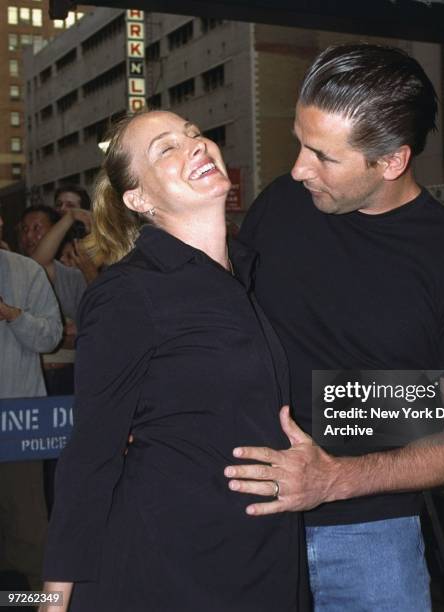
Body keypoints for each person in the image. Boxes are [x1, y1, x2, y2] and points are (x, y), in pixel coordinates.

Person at [225, 44, 444, 611]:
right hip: (242, 516)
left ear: (391, 162)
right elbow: (225, 325)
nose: (299, 168)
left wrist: (332, 479)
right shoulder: (281, 204)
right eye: (300, 144)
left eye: (323, 156)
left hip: (368, 537)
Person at [41, 110, 308, 612]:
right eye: (165, 149)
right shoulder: (129, 293)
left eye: (193, 134)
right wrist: (52, 601)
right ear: (139, 200)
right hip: (166, 568)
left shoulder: (248, 276)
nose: (195, 145)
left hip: (260, 559)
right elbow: (91, 454)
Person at [0, 249, 62, 590]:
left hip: (17, 425)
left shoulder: (27, 272)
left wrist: (12, 314)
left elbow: (51, 337)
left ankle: (39, 603)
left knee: (29, 535)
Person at [19, 205, 88, 515]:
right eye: (25, 229)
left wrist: (71, 218)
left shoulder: (72, 276)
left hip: (68, 380)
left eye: (39, 229)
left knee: (66, 463)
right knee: (35, 467)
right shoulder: (17, 272)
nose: (30, 236)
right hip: (32, 382)